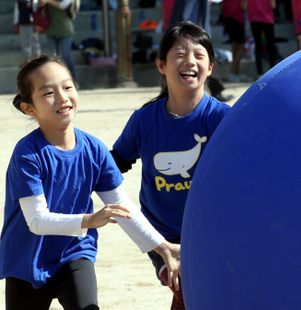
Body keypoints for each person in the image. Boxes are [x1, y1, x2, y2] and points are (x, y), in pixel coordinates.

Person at [0, 55, 181, 309]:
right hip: (26, 260)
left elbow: (121, 205)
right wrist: (89, 220)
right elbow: (36, 220)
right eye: (48, 93)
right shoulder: (27, 154)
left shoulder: (94, 149)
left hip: (74, 252)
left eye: (68, 86)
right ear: (29, 108)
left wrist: (163, 247)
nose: (62, 97)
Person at [110, 21, 231, 310]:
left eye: (199, 55)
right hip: (161, 233)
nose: (189, 61)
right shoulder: (144, 120)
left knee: (202, 292)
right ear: (161, 65)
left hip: (208, 231)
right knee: (187, 288)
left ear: (211, 67)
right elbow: (115, 164)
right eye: (179, 53)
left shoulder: (223, 119)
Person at [169, 0, 235, 101]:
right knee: (201, 62)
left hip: (194, 31)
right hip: (191, 33)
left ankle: (215, 91)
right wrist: (184, 34)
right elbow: (184, 13)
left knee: (204, 62)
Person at [38, 0, 78, 83]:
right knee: (54, 58)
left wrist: (47, 1)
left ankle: (74, 80)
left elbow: (63, 5)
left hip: (65, 29)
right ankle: (57, 81)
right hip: (51, 30)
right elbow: (38, 6)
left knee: (66, 56)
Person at [242, 0, 277, 76]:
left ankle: (259, 72)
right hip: (267, 19)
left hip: (255, 19)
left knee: (258, 46)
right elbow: (273, 5)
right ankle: (274, 71)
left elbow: (244, 6)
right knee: (271, 46)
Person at [221, 0, 251, 82]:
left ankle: (237, 73)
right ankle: (232, 72)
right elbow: (243, 6)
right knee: (241, 47)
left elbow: (222, 6)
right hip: (237, 18)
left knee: (235, 47)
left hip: (227, 18)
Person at [14, 0, 42, 67]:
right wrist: (16, 24)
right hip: (22, 25)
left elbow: (36, 12)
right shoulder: (19, 2)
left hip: (31, 25)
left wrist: (37, 23)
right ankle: (27, 60)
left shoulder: (33, 1)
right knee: (24, 43)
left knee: (34, 42)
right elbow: (16, 13)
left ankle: (37, 58)